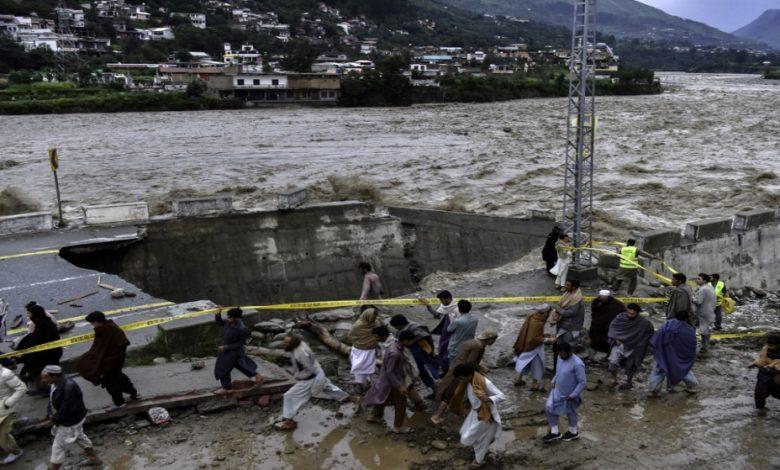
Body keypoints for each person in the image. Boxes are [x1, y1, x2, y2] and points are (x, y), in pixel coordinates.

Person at [275, 334, 351, 431]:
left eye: (286, 342)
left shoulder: (300, 353)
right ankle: (351, 398)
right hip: (318, 372)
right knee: (328, 388)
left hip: (311, 377)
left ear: (292, 343)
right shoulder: (300, 344)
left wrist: (300, 379)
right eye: (284, 341)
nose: (283, 344)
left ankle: (288, 421)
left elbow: (309, 370)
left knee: (289, 396)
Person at [41, 365, 102, 469]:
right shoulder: (56, 383)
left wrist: (54, 419)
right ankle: (94, 459)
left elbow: (67, 408)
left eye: (45, 378)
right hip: (73, 418)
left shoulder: (69, 387)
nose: (43, 380)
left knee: (58, 446)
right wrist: (50, 415)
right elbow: (52, 401)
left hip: (70, 421)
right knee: (80, 436)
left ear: (54, 376)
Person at [431, 331, 498, 425]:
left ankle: (460, 410)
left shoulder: (473, 342)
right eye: (494, 340)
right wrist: (481, 368)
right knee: (451, 393)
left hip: (457, 367)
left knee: (452, 391)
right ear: (489, 339)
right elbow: (470, 362)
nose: (494, 342)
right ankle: (437, 416)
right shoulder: (478, 347)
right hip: (462, 371)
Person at [74, 311, 138, 410]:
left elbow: (120, 345)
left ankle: (120, 403)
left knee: (111, 383)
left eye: (92, 323)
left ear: (97, 321)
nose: (92, 325)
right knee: (119, 377)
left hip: (112, 362)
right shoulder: (105, 328)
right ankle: (133, 393)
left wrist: (107, 362)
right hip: (111, 361)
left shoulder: (109, 330)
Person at [363, 330, 416, 434]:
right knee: (401, 404)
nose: (412, 343)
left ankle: (372, 416)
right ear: (405, 340)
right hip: (392, 382)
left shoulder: (393, 346)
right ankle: (398, 427)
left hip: (385, 380)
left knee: (383, 399)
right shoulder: (395, 353)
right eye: (411, 341)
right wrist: (400, 385)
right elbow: (390, 372)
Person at [457, 363, 506, 465]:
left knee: (476, 438)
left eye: (461, 378)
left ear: (469, 375)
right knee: (466, 433)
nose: (460, 381)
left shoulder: (484, 382)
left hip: (485, 415)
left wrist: (489, 399)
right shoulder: (471, 381)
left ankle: (478, 461)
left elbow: (502, 396)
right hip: (475, 413)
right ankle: (480, 452)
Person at [543, 340, 586, 443]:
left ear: (569, 351)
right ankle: (555, 432)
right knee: (549, 407)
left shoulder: (578, 364)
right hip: (557, 390)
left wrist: (573, 395)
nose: (560, 355)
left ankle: (573, 432)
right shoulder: (560, 357)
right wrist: (553, 380)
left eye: (562, 353)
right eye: (559, 353)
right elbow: (559, 371)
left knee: (571, 412)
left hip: (570, 394)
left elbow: (582, 382)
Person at [647, 310, 698, 396]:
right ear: (687, 318)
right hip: (678, 357)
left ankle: (653, 390)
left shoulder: (667, 324)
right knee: (683, 370)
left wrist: (658, 349)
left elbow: (656, 337)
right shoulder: (689, 330)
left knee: (658, 370)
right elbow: (691, 346)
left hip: (663, 354)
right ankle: (692, 387)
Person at [214, 308, 264, 393]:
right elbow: (220, 322)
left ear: (235, 318)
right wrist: (218, 313)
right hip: (227, 352)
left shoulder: (242, 329)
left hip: (234, 352)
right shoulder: (229, 323)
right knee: (241, 366)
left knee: (223, 367)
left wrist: (226, 347)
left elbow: (240, 344)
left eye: (229, 317)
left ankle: (226, 388)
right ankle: (258, 376)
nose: (228, 318)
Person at [15, 303, 62, 394]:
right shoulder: (45, 322)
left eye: (29, 314)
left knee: (35, 370)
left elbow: (36, 341)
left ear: (35, 314)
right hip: (50, 353)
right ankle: (41, 387)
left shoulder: (41, 325)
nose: (28, 316)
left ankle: (42, 388)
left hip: (47, 355)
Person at [607, 303, 654, 390]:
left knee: (631, 366)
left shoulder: (643, 322)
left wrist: (641, 344)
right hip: (619, 345)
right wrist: (615, 338)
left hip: (634, 347)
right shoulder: (620, 318)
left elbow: (649, 332)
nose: (631, 313)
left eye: (634, 312)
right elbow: (613, 328)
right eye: (630, 311)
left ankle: (628, 381)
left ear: (637, 312)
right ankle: (614, 378)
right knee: (613, 362)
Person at [389, 314, 439, 390]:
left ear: (400, 324)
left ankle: (439, 386)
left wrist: (411, 342)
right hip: (412, 353)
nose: (396, 328)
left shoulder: (414, 326)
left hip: (422, 351)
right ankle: (433, 388)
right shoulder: (401, 330)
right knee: (421, 372)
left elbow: (424, 335)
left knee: (431, 369)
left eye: (396, 326)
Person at [513, 305, 552, 391]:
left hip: (526, 344)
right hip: (534, 347)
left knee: (525, 362)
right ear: (545, 312)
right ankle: (535, 384)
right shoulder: (538, 322)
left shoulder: (532, 317)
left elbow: (532, 334)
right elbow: (534, 338)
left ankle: (518, 379)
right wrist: (547, 339)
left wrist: (543, 335)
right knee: (538, 364)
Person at [550, 280, 585, 373]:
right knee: (558, 347)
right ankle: (557, 368)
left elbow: (571, 312)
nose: (565, 286)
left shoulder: (576, 298)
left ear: (574, 287)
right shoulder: (568, 293)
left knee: (567, 349)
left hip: (570, 328)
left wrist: (558, 310)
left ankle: (567, 369)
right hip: (563, 326)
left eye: (568, 285)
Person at [420, 290, 459, 373]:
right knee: (442, 349)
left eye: (442, 300)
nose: (441, 302)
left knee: (449, 352)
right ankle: (444, 368)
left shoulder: (457, 308)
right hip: (444, 334)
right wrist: (428, 306)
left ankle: (449, 370)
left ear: (448, 299)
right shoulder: (444, 306)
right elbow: (437, 314)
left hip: (453, 334)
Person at [348, 306, 385, 391]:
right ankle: (359, 384)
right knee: (359, 367)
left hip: (370, 350)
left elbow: (381, 330)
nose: (373, 320)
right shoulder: (358, 326)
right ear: (366, 316)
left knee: (368, 368)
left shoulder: (376, 323)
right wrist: (362, 341)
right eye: (372, 318)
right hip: (359, 350)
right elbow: (350, 336)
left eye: (375, 318)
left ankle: (366, 383)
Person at [588, 290, 625, 362]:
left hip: (609, 329)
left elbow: (623, 313)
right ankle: (591, 358)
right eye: (601, 297)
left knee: (609, 344)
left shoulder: (617, 304)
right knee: (594, 342)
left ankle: (609, 358)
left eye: (604, 298)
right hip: (597, 327)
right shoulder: (596, 302)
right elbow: (594, 313)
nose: (602, 299)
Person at [0, 363, 26, 465]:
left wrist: (8, 402)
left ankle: (16, 451)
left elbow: (22, 388)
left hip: (3, 409)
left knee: (3, 436)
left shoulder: (5, 374)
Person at [749, 333, 780, 410]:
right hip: (764, 374)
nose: (769, 347)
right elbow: (760, 359)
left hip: (777, 376)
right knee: (759, 393)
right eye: (768, 345)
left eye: (772, 346)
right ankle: (760, 411)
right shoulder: (765, 349)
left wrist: (773, 365)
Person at [446, 299, 478, 366]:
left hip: (456, 347)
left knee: (453, 366)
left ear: (459, 309)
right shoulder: (475, 319)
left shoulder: (458, 321)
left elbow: (449, 329)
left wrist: (452, 319)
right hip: (469, 345)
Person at [692, 273, 716, 354]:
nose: (696, 280)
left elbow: (698, 301)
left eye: (699, 279)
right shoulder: (710, 287)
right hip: (710, 311)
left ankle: (704, 347)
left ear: (704, 281)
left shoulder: (703, 289)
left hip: (704, 312)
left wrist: (692, 298)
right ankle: (705, 346)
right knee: (706, 330)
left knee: (704, 331)